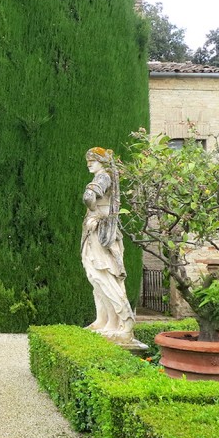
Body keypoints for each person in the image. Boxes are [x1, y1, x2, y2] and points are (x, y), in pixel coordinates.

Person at [81, 147, 138, 344]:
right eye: (88, 160)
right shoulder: (104, 176)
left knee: (104, 274)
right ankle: (106, 320)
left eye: (93, 160)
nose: (89, 163)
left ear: (103, 162)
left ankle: (124, 321)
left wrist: (94, 210)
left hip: (101, 229)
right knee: (96, 276)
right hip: (96, 229)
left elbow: (88, 197)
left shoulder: (103, 177)